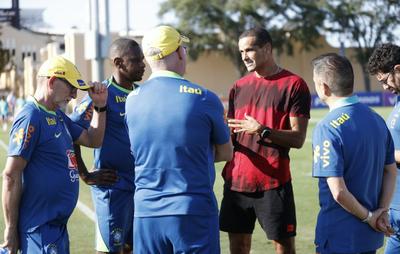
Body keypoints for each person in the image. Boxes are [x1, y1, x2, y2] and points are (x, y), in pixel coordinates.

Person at [125, 25, 233, 253]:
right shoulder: (204, 98)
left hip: (146, 211)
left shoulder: (132, 100)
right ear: (179, 53)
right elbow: (226, 152)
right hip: (191, 209)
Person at [1, 55, 108, 254]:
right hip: (39, 229)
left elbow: (93, 140)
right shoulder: (31, 116)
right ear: (52, 82)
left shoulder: (57, 115)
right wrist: (10, 231)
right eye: (71, 88)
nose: (75, 95)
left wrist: (100, 106)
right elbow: (11, 175)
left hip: (56, 228)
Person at [219, 27, 311, 254]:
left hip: (273, 183)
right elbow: (231, 135)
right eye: (241, 51)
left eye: (250, 49)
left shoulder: (294, 85)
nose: (244, 56)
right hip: (236, 183)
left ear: (268, 49)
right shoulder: (238, 87)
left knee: (284, 248)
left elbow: (298, 138)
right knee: (238, 248)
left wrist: (263, 131)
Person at [312, 53, 397, 254]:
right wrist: (381, 212)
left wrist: (369, 216)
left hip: (338, 235)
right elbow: (391, 171)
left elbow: (339, 191)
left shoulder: (327, 127)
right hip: (369, 237)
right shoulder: (376, 119)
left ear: (323, 87)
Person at [70, 38, 145, 254]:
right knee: (111, 249)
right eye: (136, 60)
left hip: (142, 187)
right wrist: (85, 174)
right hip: (114, 187)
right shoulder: (101, 94)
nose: (143, 64)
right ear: (119, 63)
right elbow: (71, 134)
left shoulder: (142, 94)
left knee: (134, 248)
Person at [368, 43, 400, 254]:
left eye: (384, 80)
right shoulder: (398, 100)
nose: (384, 88)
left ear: (397, 70)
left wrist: (380, 154)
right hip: (396, 211)